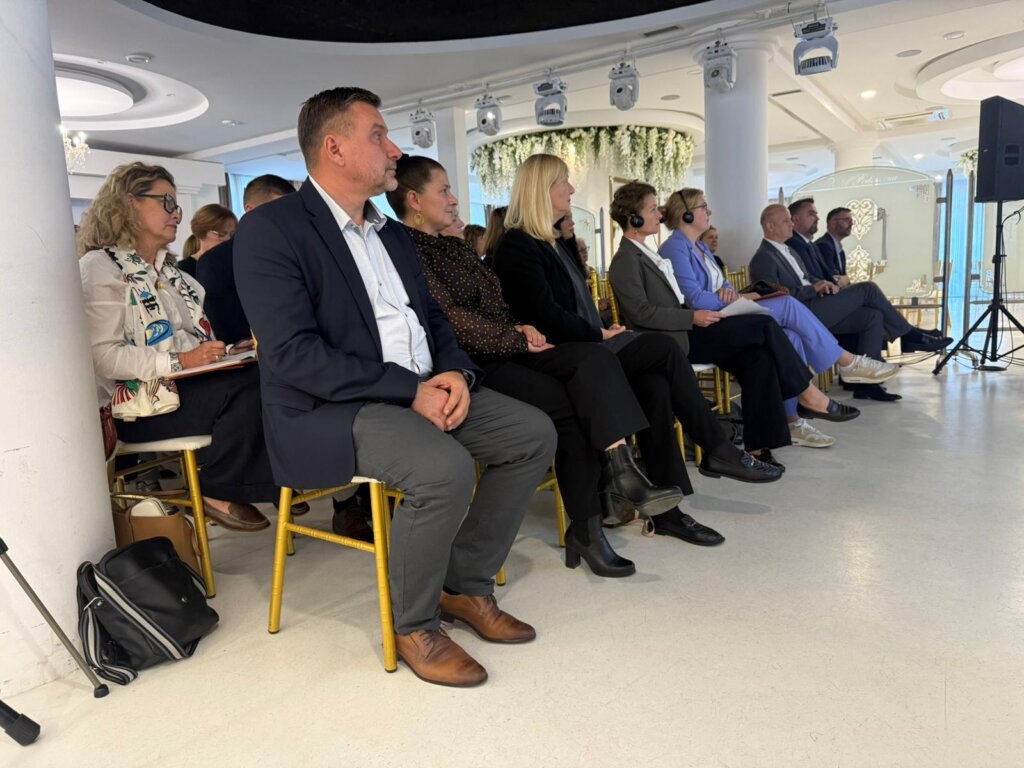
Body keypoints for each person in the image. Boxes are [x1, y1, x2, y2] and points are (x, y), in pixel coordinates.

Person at [233, 87, 556, 688]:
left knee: (532, 435)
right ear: (334, 147)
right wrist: (410, 391)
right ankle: (415, 622)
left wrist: (456, 372)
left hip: (416, 389)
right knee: (445, 469)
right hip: (329, 406)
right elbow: (295, 355)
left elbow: (433, 322)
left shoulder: (391, 233)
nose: (395, 148)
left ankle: (465, 583)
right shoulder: (271, 230)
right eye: (378, 135)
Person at [388, 154, 684, 574]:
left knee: (589, 368)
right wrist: (515, 336)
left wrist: (521, 327)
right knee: (575, 394)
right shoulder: (409, 250)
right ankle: (601, 506)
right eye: (445, 191)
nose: (455, 200)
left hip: (505, 347)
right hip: (471, 364)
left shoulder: (451, 246)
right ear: (415, 201)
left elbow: (494, 306)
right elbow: (450, 320)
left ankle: (606, 497)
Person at [493, 154, 782, 546]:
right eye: (564, 182)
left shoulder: (552, 244)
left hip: (585, 345)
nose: (571, 190)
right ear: (542, 189)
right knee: (662, 349)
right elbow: (542, 314)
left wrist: (600, 328)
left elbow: (571, 307)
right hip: (561, 356)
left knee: (656, 387)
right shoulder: (517, 246)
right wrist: (599, 334)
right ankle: (714, 447)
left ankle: (669, 512)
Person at [78, 161, 276, 532]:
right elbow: (103, 357)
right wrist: (181, 360)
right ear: (129, 203)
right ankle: (219, 487)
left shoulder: (174, 274)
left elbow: (192, 344)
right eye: (166, 203)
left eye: (176, 204)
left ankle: (268, 477)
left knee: (268, 370)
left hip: (186, 389)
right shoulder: (100, 267)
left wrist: (226, 352)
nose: (176, 213)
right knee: (254, 387)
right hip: (137, 408)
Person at [608, 181, 853, 461]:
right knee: (764, 324)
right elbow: (644, 312)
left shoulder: (653, 253)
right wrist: (695, 314)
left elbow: (690, 294)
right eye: (652, 210)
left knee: (759, 358)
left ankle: (759, 448)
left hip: (694, 326)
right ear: (634, 218)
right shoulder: (629, 258)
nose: (659, 215)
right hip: (682, 335)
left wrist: (725, 298)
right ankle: (806, 394)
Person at [658, 189, 892, 443]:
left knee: (790, 335)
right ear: (688, 214)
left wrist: (729, 293)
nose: (709, 212)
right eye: (704, 207)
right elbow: (696, 299)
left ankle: (791, 420)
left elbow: (724, 285)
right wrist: (739, 298)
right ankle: (846, 363)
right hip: (706, 323)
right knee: (787, 302)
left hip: (726, 312)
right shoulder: (675, 248)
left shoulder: (701, 247)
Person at [751, 204, 946, 373]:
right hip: (803, 312)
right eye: (786, 221)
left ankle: (868, 382)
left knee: (872, 316)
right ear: (770, 226)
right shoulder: (763, 257)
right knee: (867, 288)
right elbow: (774, 297)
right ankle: (909, 334)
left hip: (817, 304)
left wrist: (823, 284)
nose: (791, 224)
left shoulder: (789, 250)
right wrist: (814, 289)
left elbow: (806, 277)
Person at [197, 175, 294, 346]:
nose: (286, 219)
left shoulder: (294, 253)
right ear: (250, 211)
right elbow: (224, 328)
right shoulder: (216, 262)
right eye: (277, 211)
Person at [178, 204, 236, 279]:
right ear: (201, 233)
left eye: (232, 235)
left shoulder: (233, 264)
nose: (228, 239)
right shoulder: (183, 270)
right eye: (221, 234)